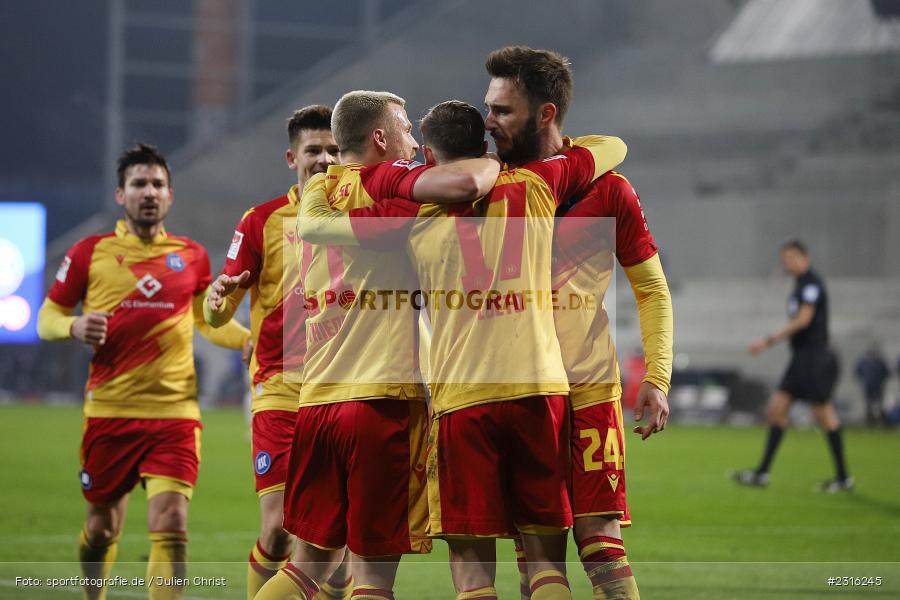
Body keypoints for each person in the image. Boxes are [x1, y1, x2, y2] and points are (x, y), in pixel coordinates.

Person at [299, 95, 627, 600]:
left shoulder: (412, 216)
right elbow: (611, 147)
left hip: (458, 400)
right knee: (546, 569)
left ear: (428, 157)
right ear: (483, 144)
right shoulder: (539, 181)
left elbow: (339, 231)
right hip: (540, 389)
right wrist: (504, 161)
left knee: (470, 578)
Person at [254, 91, 500, 600]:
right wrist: (496, 161)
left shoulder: (318, 195)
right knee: (372, 579)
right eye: (407, 129)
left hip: (317, 403)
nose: (414, 141)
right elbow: (463, 182)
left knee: (305, 571)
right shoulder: (385, 178)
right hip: (379, 402)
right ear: (380, 138)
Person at [36, 143, 251, 600]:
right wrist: (73, 324)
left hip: (175, 414)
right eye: (139, 184)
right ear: (121, 194)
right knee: (101, 527)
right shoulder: (89, 252)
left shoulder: (191, 255)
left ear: (170, 196)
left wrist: (246, 339)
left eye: (157, 184)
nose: (148, 192)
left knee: (171, 522)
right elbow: (47, 318)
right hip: (110, 412)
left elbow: (204, 320)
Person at [204, 105, 352, 600]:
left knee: (338, 542)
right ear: (292, 157)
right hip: (281, 390)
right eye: (314, 150)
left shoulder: (364, 213)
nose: (325, 159)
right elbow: (220, 312)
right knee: (281, 528)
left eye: (334, 149)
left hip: (346, 389)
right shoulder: (262, 220)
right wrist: (219, 304)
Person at [734, 239, 851, 492]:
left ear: (804, 258)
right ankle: (762, 473)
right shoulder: (800, 284)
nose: (787, 263)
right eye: (784, 259)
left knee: (824, 415)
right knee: (776, 409)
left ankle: (843, 478)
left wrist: (767, 341)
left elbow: (803, 320)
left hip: (813, 358)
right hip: (800, 358)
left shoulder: (811, 284)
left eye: (791, 258)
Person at [854, 345, 890, 426]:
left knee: (879, 404)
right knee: (869, 404)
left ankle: (881, 420)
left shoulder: (880, 361)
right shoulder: (864, 362)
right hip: (868, 386)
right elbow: (858, 371)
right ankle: (869, 420)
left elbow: (886, 372)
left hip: (878, 386)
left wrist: (881, 381)